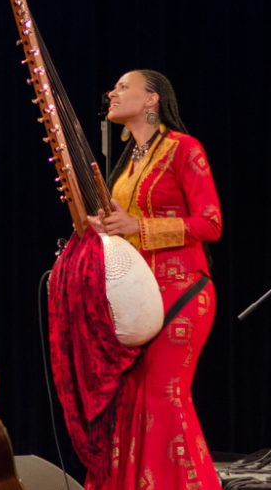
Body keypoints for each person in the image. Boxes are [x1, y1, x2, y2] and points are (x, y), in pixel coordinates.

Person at [86, 69, 222, 489]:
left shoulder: (184, 148)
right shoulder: (127, 165)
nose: (112, 92)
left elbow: (211, 224)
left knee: (164, 395)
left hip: (183, 290)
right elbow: (124, 231)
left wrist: (138, 227)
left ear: (151, 100)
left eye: (123, 87)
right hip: (139, 298)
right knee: (131, 399)